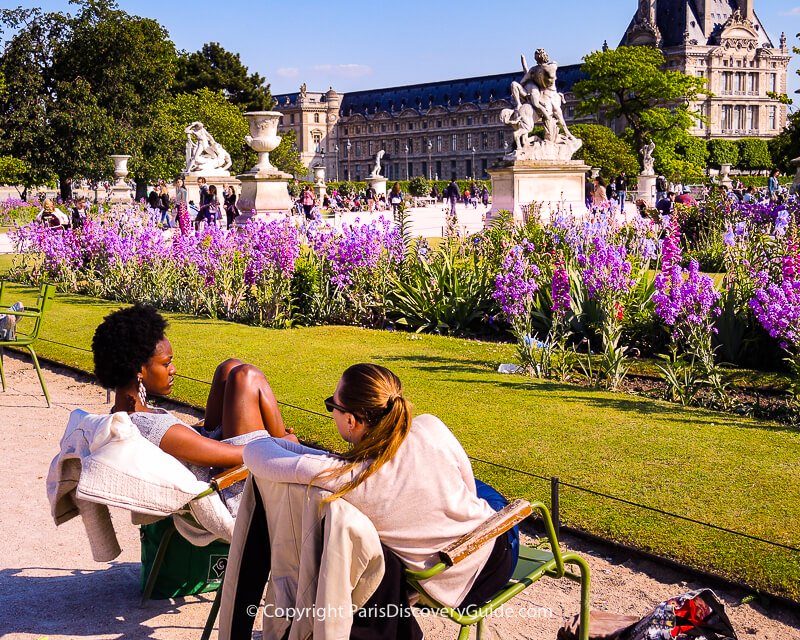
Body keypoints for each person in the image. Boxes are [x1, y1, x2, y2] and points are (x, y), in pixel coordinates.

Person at [243, 363, 518, 638]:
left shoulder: (345, 477)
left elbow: (255, 450)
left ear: (351, 421)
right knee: (466, 487)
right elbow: (468, 491)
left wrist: (309, 457)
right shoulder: (431, 427)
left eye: (332, 406)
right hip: (493, 549)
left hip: (453, 581)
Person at [91, 304, 296, 514]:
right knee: (246, 376)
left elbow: (189, 445)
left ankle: (289, 450)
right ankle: (295, 461)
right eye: (165, 364)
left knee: (229, 368)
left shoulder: (126, 416)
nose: (173, 370)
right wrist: (281, 443)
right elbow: (239, 455)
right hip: (231, 492)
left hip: (212, 470)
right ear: (138, 370)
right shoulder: (153, 428)